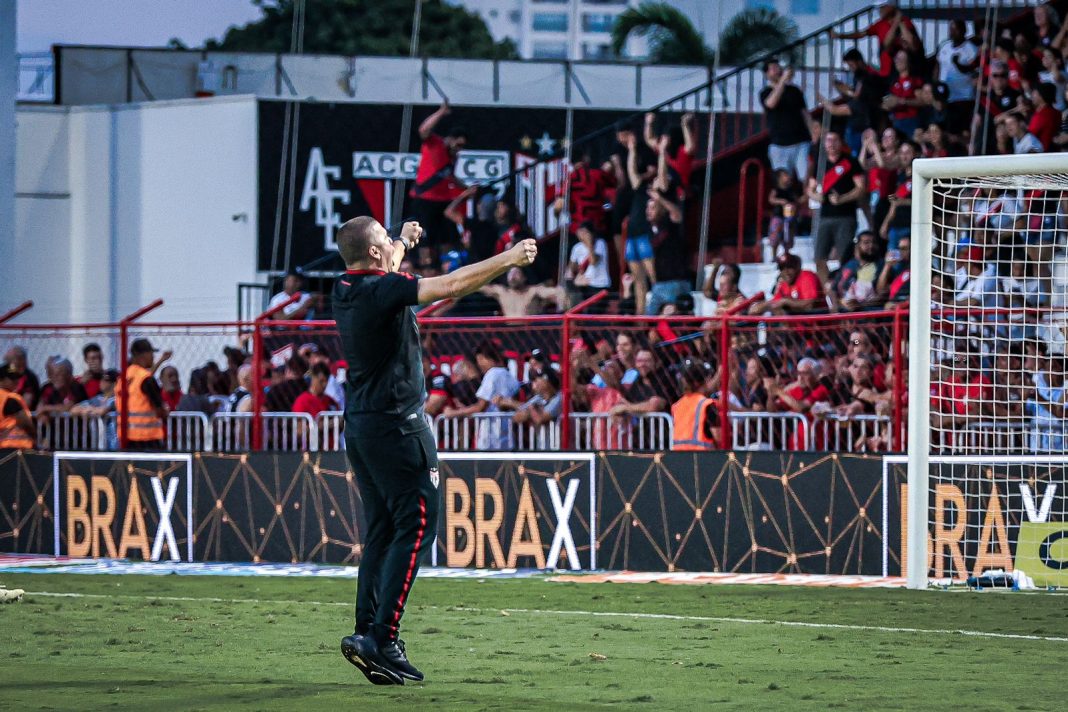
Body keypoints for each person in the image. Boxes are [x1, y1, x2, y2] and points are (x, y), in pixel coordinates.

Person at [332, 215, 536, 685]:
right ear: (377, 255)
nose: (392, 246)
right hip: (399, 430)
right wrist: (507, 258)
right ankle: (384, 638)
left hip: (361, 427)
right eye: (387, 241)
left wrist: (402, 239)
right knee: (416, 525)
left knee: (382, 528)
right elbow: (452, 284)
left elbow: (386, 257)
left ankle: (366, 633)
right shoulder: (384, 290)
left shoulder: (345, 286)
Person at [409, 101, 468, 255]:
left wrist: (467, 188)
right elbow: (423, 129)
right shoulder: (435, 143)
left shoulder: (452, 157)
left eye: (462, 146)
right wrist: (441, 112)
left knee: (445, 241)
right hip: (424, 199)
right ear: (451, 139)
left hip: (442, 201)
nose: (459, 149)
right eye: (458, 144)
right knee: (424, 242)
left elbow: (450, 177)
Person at [807, 131, 866, 285]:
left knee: (844, 257)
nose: (831, 144)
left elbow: (861, 188)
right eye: (828, 140)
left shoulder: (851, 162)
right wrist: (816, 197)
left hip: (845, 216)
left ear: (841, 142)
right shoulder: (820, 165)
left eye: (835, 140)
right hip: (825, 217)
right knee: (819, 258)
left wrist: (842, 198)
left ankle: (843, 286)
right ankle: (828, 290)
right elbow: (810, 189)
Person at [831, 1, 923, 79]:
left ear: (891, 6)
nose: (880, 11)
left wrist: (898, 23)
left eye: (882, 7)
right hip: (885, 71)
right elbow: (862, 33)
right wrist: (841, 36)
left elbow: (911, 42)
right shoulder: (880, 24)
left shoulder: (905, 22)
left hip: (899, 70)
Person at [761, 60, 814, 181]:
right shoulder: (765, 92)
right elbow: (771, 103)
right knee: (783, 180)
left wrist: (813, 132)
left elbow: (804, 113)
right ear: (767, 74)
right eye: (773, 68)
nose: (778, 70)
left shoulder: (794, 90)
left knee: (806, 177)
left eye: (778, 67)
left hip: (801, 141)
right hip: (779, 144)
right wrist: (782, 81)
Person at [116, 339, 167, 450]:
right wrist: (165, 410)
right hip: (147, 439)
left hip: (126, 439)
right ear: (143, 355)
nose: (153, 357)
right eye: (151, 353)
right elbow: (160, 410)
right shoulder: (146, 379)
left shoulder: (124, 377)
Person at [935, 19, 979, 135]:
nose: (952, 32)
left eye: (955, 29)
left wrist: (958, 64)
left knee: (963, 130)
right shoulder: (944, 47)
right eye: (951, 29)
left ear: (963, 31)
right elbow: (938, 67)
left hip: (964, 97)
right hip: (946, 97)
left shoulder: (971, 49)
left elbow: (973, 70)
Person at [749, 252, 824, 315]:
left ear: (797, 267)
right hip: (799, 326)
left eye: (790, 267)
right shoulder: (784, 284)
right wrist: (761, 306)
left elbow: (809, 306)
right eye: (782, 268)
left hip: (819, 325)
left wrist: (786, 301)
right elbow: (775, 303)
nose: (786, 272)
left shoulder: (806, 276)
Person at [830, 231, 884, 312]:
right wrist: (836, 307)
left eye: (874, 243)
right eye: (866, 243)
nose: (871, 246)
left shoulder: (882, 266)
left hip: (869, 312)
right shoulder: (849, 265)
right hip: (844, 312)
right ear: (858, 246)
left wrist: (860, 304)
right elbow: (832, 289)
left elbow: (883, 294)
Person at [480, 267, 563, 317]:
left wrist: (559, 293)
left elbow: (554, 292)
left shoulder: (533, 291)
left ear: (524, 277)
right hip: (509, 333)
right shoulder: (502, 292)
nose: (512, 276)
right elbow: (479, 286)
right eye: (510, 273)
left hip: (531, 332)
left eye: (516, 273)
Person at [567, 221, 612, 298]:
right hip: (584, 284)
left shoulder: (600, 243)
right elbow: (572, 268)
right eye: (581, 232)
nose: (583, 235)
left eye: (585, 233)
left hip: (600, 284)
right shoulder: (577, 247)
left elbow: (593, 261)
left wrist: (589, 244)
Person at [0, 362, 37, 449]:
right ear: (1, 379)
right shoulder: (10, 399)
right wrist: (36, 439)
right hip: (15, 447)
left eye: (17, 378)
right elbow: (26, 424)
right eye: (12, 378)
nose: (17, 381)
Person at [767, 169, 801, 253]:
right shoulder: (776, 190)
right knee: (775, 235)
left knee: (788, 236)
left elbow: (797, 201)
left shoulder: (791, 190)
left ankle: (787, 253)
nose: (788, 177)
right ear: (779, 178)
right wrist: (781, 201)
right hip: (778, 216)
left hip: (789, 217)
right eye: (785, 175)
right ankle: (774, 255)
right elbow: (771, 199)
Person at [3, 346, 40, 411]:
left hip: (20, 415)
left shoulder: (29, 377)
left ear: (21, 360)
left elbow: (27, 403)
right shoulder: (9, 372)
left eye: (10, 360)